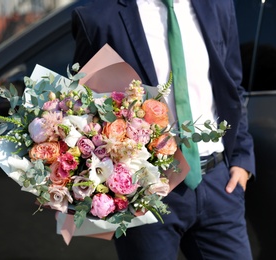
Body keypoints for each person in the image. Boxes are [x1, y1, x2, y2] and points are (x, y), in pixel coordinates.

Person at [71, 0, 255, 259]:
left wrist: (241, 159)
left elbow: (233, 86)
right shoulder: (99, 17)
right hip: (147, 190)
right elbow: (84, 106)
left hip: (219, 183)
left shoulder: (218, 5)